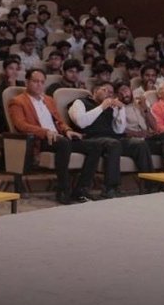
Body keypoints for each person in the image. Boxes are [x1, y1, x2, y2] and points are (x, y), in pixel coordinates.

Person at [7, 68, 104, 204]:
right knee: (64, 143)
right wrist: (45, 132)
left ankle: (81, 190)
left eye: (42, 82)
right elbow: (21, 125)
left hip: (58, 137)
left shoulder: (48, 99)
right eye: (35, 81)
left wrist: (67, 130)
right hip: (40, 139)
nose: (39, 85)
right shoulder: (17, 101)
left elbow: (59, 121)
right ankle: (63, 190)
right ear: (27, 82)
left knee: (95, 146)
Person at [65, 81, 130, 197]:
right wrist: (101, 107)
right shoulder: (80, 102)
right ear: (95, 91)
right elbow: (81, 122)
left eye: (111, 92)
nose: (108, 94)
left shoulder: (110, 108)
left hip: (110, 139)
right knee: (113, 144)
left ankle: (151, 185)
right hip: (89, 139)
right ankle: (110, 188)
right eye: (105, 90)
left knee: (139, 145)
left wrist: (121, 110)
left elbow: (119, 130)